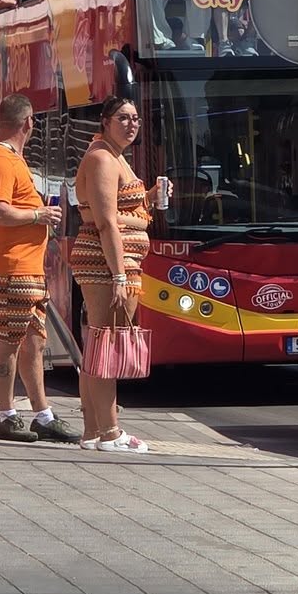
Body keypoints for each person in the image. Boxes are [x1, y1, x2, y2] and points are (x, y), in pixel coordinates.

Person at [0, 94, 78, 445]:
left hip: (25, 268)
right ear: (28, 122)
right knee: (10, 342)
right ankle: (6, 415)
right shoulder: (0, 159)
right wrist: (39, 215)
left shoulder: (9, 158)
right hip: (9, 268)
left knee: (34, 342)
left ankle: (42, 414)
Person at [72, 96, 164, 452]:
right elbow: (106, 221)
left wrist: (148, 203)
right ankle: (109, 432)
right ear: (105, 121)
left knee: (99, 345)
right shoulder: (101, 158)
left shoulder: (115, 157)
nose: (132, 124)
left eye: (136, 118)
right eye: (123, 118)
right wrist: (119, 276)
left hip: (115, 261)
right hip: (107, 263)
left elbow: (110, 214)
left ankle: (93, 431)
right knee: (106, 344)